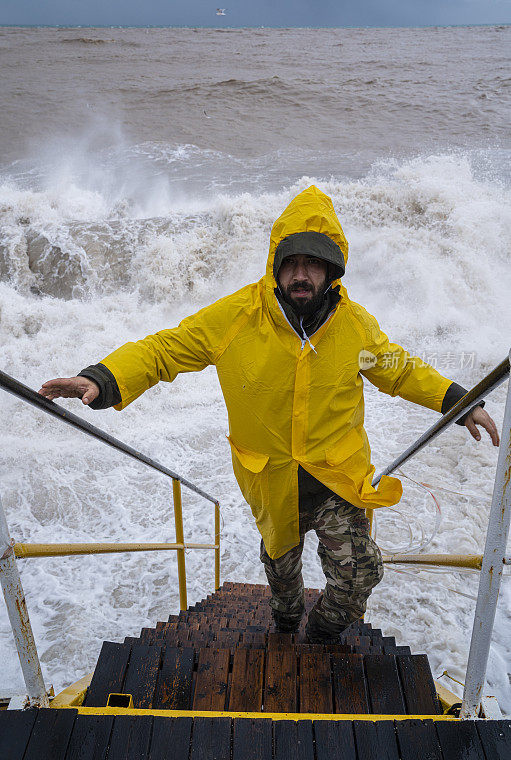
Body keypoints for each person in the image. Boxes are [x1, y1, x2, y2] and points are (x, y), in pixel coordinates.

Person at [39, 186, 499, 642]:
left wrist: (461, 402)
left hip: (336, 474)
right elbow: (165, 349)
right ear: (275, 265)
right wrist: (102, 379)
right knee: (282, 580)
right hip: (270, 477)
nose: (301, 275)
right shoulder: (239, 316)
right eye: (291, 263)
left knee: (358, 573)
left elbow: (399, 370)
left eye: (313, 263)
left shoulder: (355, 325)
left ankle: (320, 638)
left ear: (332, 268)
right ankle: (284, 624)